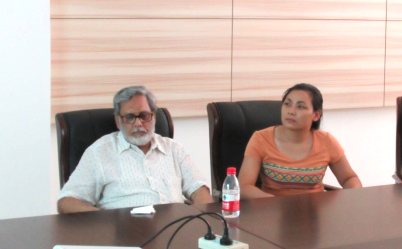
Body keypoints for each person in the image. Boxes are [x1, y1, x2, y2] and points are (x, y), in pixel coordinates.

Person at [58, 86, 213, 213]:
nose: (138, 123)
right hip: (125, 233)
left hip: (175, 229)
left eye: (144, 116)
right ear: (118, 121)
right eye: (130, 117)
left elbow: (200, 191)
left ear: (154, 117)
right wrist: (104, 221)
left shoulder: (174, 149)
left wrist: (200, 219)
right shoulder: (99, 153)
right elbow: (67, 202)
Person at [238, 83, 362, 199]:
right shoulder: (261, 139)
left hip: (316, 211)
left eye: (300, 106)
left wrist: (352, 198)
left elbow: (349, 178)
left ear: (316, 115)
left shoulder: (326, 141)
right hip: (273, 210)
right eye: (287, 104)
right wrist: (276, 203)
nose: (291, 111)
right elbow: (244, 187)